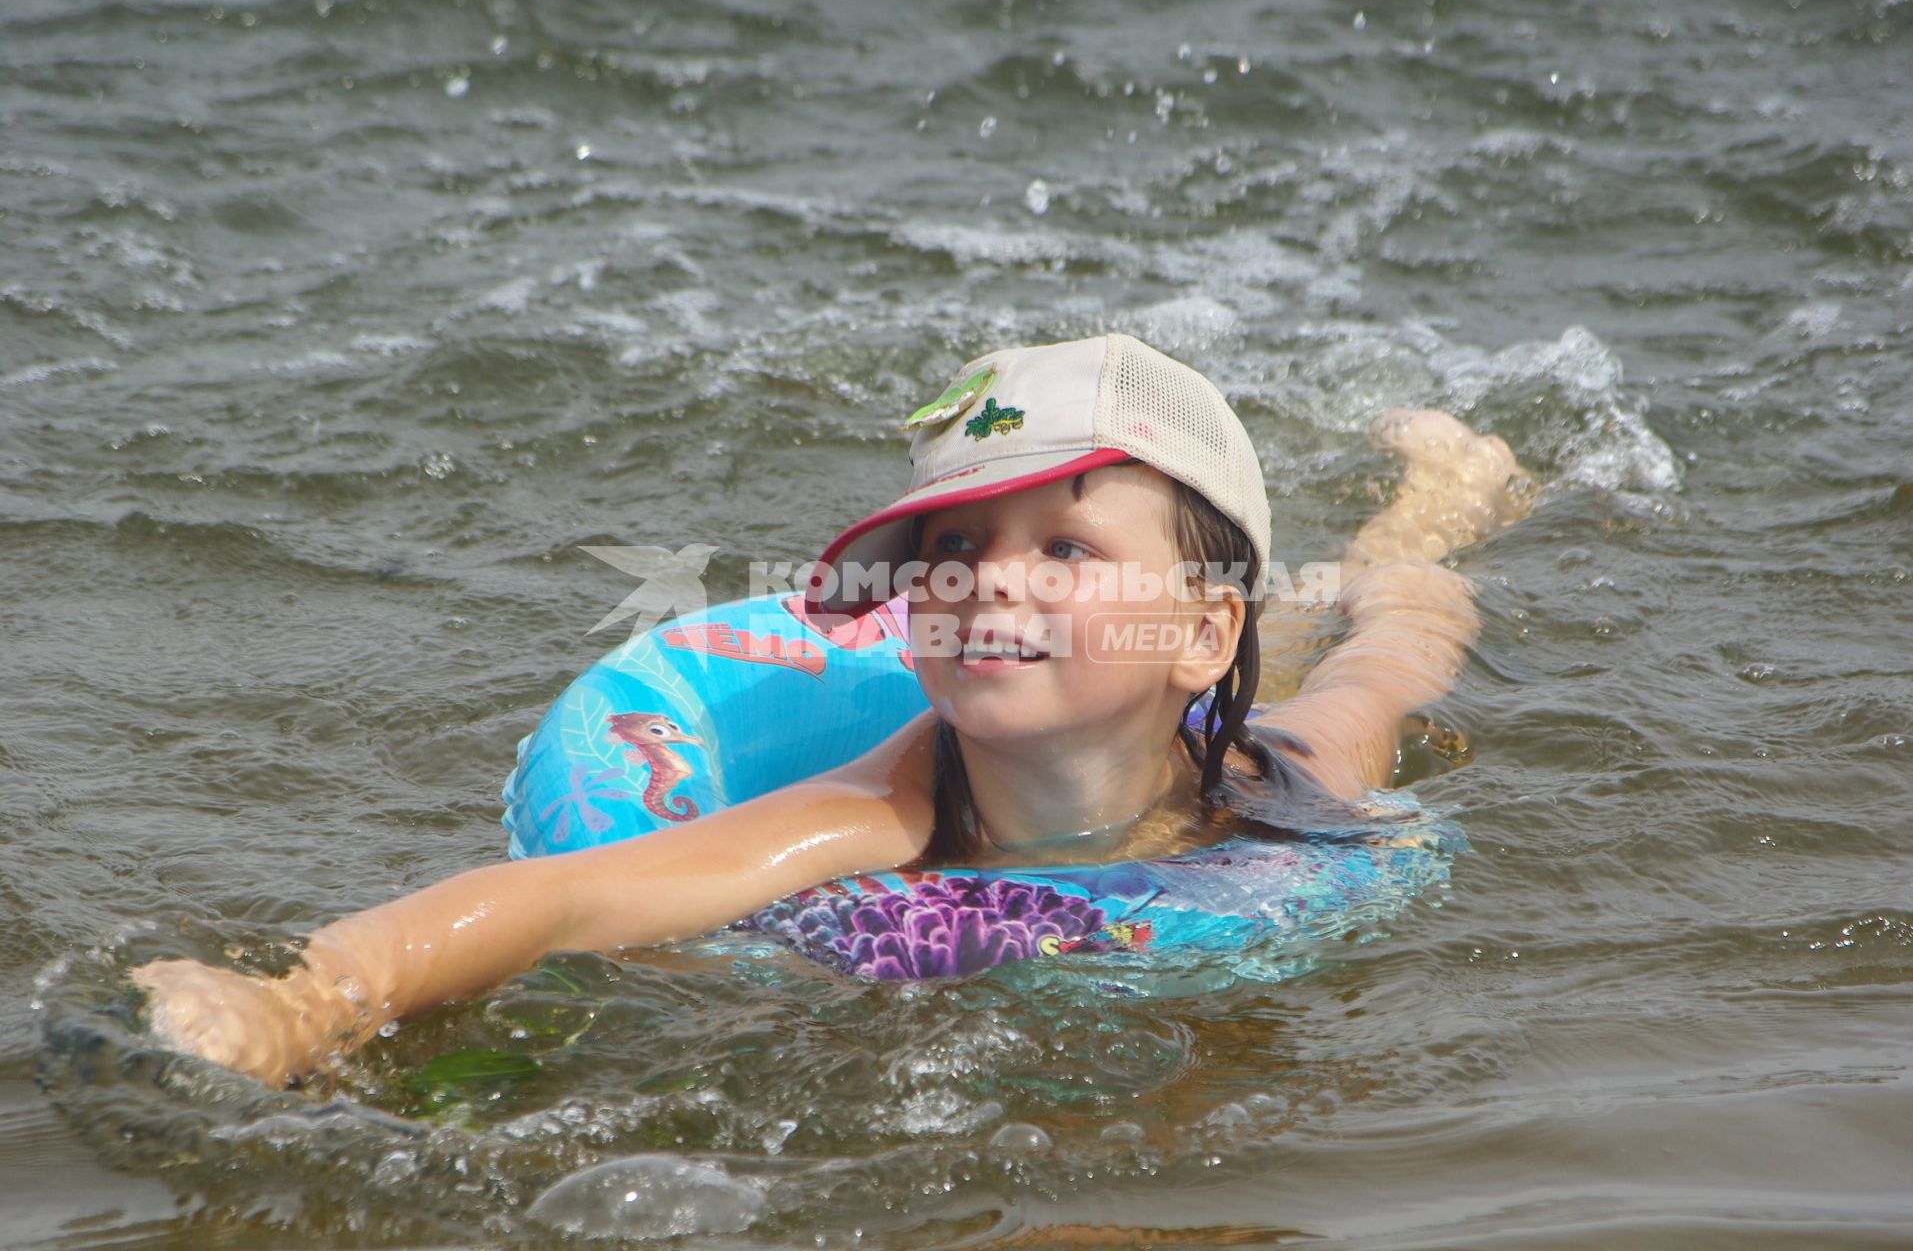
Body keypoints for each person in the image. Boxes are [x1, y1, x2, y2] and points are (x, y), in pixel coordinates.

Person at [132, 333, 1532, 1086]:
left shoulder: (1283, 793)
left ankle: (1438, 508)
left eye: (1061, 544)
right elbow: (567, 898)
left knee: (1377, 648)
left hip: (1226, 753)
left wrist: (1409, 589)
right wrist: (309, 1000)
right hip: (1140, 718)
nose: (988, 584)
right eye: (950, 550)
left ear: (1187, 627)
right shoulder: (876, 807)